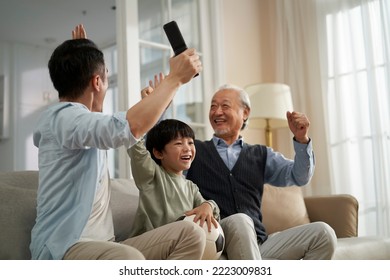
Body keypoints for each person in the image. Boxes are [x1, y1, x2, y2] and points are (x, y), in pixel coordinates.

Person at [30, 24, 205, 260]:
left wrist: (85, 54)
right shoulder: (63, 118)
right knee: (129, 259)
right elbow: (128, 127)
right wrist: (174, 79)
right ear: (97, 83)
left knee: (190, 233)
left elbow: (113, 125)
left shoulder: (79, 125)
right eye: (105, 76)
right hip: (64, 248)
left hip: (103, 245)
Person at [185, 84, 337, 260]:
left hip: (259, 243)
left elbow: (299, 176)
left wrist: (302, 140)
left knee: (323, 233)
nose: (217, 112)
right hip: (219, 240)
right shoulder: (193, 150)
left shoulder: (262, 154)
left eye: (225, 106)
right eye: (213, 106)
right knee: (240, 220)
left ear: (245, 113)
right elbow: (165, 169)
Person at [127, 119, 220, 241]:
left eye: (190, 142)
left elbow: (213, 213)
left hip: (181, 243)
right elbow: (136, 144)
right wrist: (149, 113)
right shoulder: (150, 175)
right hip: (148, 243)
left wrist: (208, 205)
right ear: (159, 153)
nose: (187, 148)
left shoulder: (191, 187)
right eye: (179, 143)